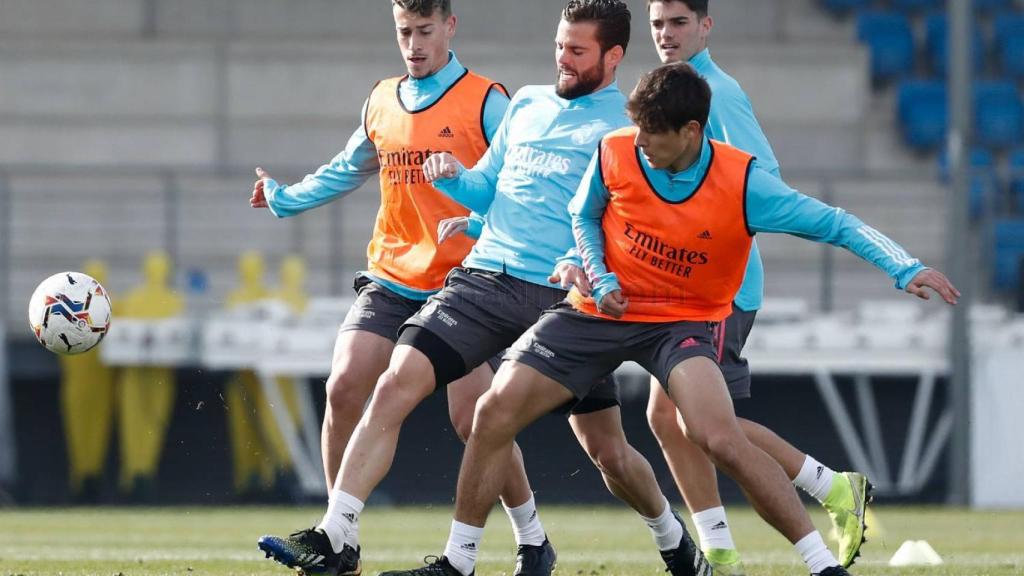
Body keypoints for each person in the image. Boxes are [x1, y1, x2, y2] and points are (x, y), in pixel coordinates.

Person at [386, 63, 960, 576]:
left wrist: (902, 266)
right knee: (493, 412)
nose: (640, 145)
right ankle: (459, 563)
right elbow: (583, 217)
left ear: (691, 132)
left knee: (719, 438)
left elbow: (835, 222)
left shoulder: (743, 183)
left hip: (682, 322)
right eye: (635, 130)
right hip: (597, 313)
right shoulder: (616, 151)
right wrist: (600, 277)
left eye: (652, 135)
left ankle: (821, 566)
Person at [332, 2, 714, 575]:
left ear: (613, 56)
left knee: (607, 450)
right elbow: (493, 186)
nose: (562, 58)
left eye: (577, 50)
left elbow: (626, 220)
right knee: (407, 384)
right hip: (488, 278)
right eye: (560, 45)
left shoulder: (627, 127)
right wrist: (458, 183)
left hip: (564, 297)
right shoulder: (529, 102)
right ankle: (341, 535)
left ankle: (671, 537)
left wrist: (585, 266)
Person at [251, 2, 554, 574]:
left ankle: (532, 537)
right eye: (404, 33)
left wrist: (481, 226)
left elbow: (522, 185)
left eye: (424, 31)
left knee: (474, 420)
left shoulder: (488, 100)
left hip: (464, 283)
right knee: (343, 386)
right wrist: (283, 198)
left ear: (450, 27)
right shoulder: (382, 99)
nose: (413, 44)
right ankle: (340, 540)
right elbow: (349, 166)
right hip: (392, 275)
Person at [639, 1, 873, 571]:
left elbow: (761, 180)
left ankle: (823, 494)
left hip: (724, 285)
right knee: (668, 418)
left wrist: (706, 226)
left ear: (704, 26)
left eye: (678, 23)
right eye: (657, 24)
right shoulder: (677, 91)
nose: (666, 35)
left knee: (703, 423)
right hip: (689, 285)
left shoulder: (718, 94)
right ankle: (724, 542)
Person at [116, 251, 185, 501]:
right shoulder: (171, 301)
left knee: (137, 422)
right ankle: (141, 473)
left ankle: (136, 473)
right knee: (148, 422)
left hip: (143, 372)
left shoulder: (132, 299)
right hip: (154, 373)